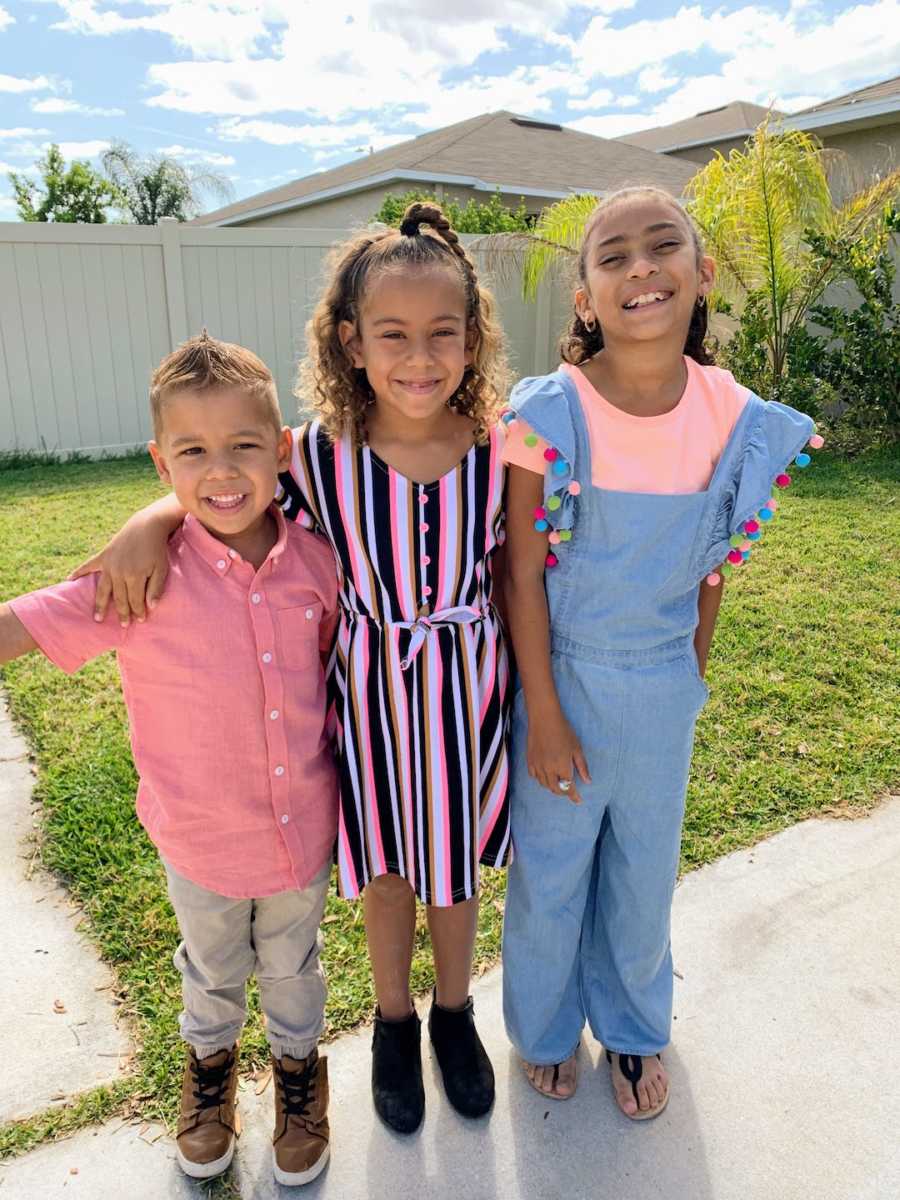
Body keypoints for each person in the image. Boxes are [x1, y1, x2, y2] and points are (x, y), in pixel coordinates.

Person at [71, 203, 513, 1135]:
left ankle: (455, 1014)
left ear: (473, 340)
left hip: (467, 688)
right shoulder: (319, 455)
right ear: (351, 343)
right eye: (393, 334)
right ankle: (395, 1022)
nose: (420, 357)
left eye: (443, 334)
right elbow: (222, 488)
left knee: (455, 868)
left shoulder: (499, 449)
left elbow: (523, 570)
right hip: (371, 699)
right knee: (390, 865)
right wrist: (143, 523)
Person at [499, 186, 823, 1118]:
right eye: (613, 256)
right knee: (554, 871)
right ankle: (546, 1027)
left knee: (644, 867)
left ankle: (637, 1028)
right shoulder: (550, 415)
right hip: (560, 678)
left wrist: (688, 682)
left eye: (662, 246)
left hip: (662, 689)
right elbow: (522, 576)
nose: (641, 267)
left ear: (701, 274)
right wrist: (547, 714)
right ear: (586, 300)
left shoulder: (735, 417)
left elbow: (712, 574)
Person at [0, 334, 339, 1185]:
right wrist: (152, 527)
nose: (221, 469)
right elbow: (25, 625)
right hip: (198, 840)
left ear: (283, 450)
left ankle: (300, 1079)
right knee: (213, 971)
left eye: (244, 445)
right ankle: (210, 1078)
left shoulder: (322, 565)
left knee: (295, 967)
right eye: (193, 451)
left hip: (303, 830)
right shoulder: (135, 581)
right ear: (161, 461)